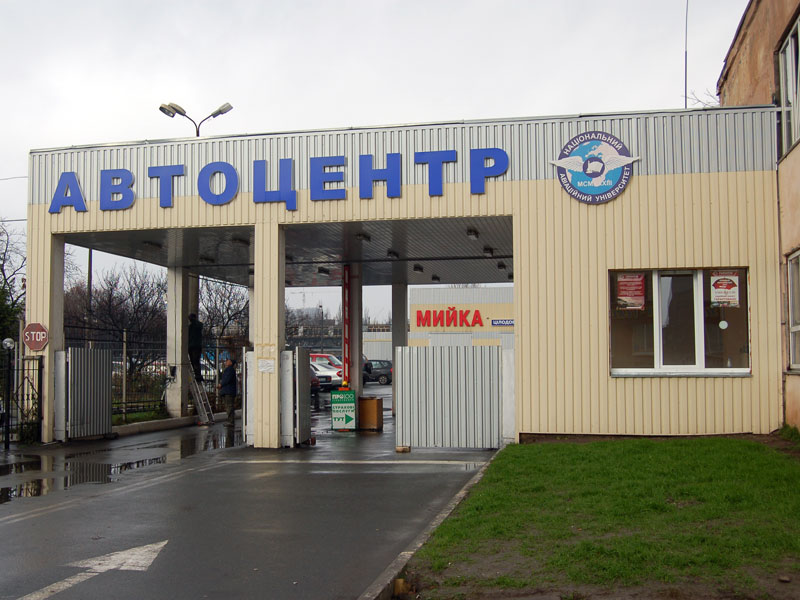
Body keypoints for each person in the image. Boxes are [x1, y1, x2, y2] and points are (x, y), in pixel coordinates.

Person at [218, 358, 237, 427]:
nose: (226, 362)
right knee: (229, 406)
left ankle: (231, 421)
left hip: (228, 391)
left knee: (229, 407)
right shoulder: (230, 370)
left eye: (228, 361)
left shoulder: (230, 370)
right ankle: (230, 420)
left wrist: (221, 384)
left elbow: (227, 379)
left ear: (231, 363)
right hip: (228, 391)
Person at [188, 313, 203, 381]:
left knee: (195, 361)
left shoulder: (195, 325)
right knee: (194, 361)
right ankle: (197, 374)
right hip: (194, 346)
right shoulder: (194, 326)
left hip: (194, 346)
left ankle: (198, 375)